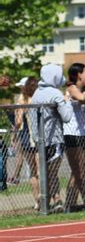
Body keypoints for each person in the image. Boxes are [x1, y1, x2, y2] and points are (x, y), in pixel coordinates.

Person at [31, 63, 73, 211]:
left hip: (39, 141)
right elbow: (67, 117)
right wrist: (67, 101)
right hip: (54, 140)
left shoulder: (37, 93)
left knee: (46, 173)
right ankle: (48, 202)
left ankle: (55, 201)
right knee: (51, 173)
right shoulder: (56, 94)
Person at [64, 63, 85, 211]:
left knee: (82, 171)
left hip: (81, 134)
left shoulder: (82, 89)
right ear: (78, 75)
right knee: (77, 171)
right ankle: (70, 204)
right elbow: (82, 98)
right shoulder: (71, 88)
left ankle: (83, 201)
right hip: (71, 134)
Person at [14, 77, 39, 209]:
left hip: (27, 137)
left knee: (34, 171)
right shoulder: (37, 98)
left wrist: (14, 132)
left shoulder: (21, 100)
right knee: (39, 169)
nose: (20, 89)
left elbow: (18, 122)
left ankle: (38, 201)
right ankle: (43, 198)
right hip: (37, 136)